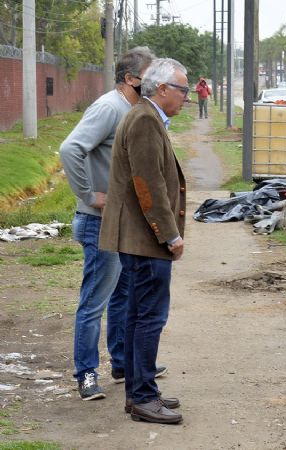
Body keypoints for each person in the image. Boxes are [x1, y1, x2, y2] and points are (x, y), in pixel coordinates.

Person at [59, 46, 169, 401]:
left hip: (121, 222)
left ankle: (122, 363)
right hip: (97, 221)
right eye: (148, 78)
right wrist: (90, 195)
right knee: (95, 300)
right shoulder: (109, 107)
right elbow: (70, 149)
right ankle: (86, 373)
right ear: (130, 79)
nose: (154, 84)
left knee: (123, 296)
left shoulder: (134, 108)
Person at [99, 58, 188, 424]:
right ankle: (143, 397)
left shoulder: (143, 117)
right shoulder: (145, 120)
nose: (186, 97)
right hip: (145, 238)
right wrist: (170, 234)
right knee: (149, 318)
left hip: (139, 237)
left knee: (139, 317)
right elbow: (147, 184)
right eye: (182, 90)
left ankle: (140, 394)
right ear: (162, 89)